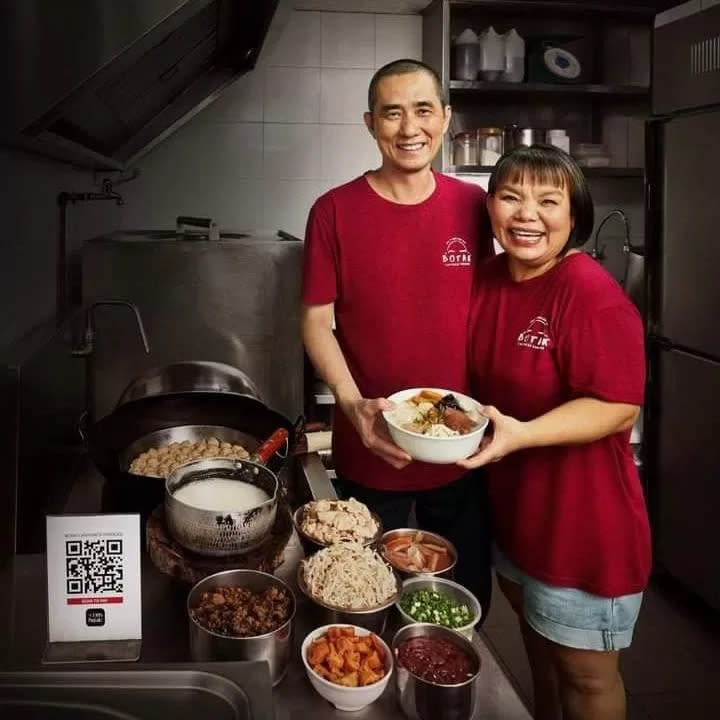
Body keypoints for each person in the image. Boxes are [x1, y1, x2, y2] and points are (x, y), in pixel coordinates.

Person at [460, 144, 651, 720]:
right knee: (539, 655)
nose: (527, 215)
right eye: (511, 197)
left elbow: (618, 406)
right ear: (490, 206)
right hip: (519, 516)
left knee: (586, 679)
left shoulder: (589, 294)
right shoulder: (489, 280)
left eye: (548, 201)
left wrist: (520, 435)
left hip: (583, 522)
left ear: (574, 217)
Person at [301, 58, 494, 616]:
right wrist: (353, 403)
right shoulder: (333, 211)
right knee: (365, 599)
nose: (409, 128)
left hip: (461, 451)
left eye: (423, 110)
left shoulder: (474, 207)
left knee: (462, 599)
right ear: (370, 123)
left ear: (446, 117)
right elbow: (315, 320)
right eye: (392, 113)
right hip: (370, 444)